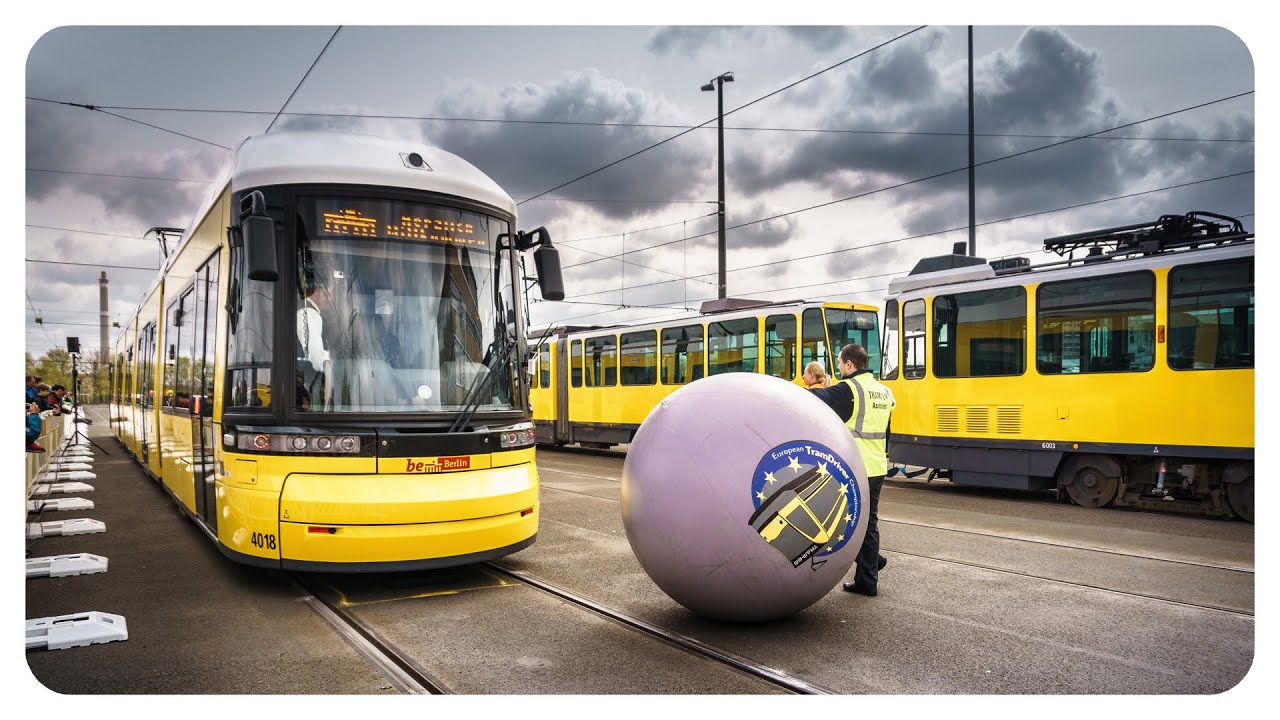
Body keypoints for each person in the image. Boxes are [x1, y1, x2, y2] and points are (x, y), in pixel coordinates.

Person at [807, 344, 894, 597]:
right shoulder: (884, 391)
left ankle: (869, 574)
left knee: (833, 520)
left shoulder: (850, 389)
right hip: (877, 465)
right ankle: (871, 564)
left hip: (854, 467)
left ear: (848, 364)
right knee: (868, 522)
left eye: (839, 362)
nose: (838, 367)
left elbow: (815, 398)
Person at [297, 268, 332, 408]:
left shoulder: (308, 312)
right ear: (314, 291)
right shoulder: (308, 314)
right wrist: (339, 365)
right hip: (308, 385)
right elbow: (317, 358)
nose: (330, 299)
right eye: (327, 294)